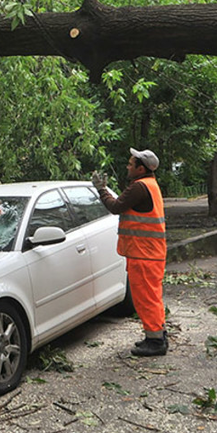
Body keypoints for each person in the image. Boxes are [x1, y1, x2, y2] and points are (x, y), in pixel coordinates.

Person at [92, 148, 167, 356]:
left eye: (130, 163)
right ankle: (157, 334)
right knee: (152, 296)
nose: (127, 166)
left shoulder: (139, 187)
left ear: (140, 168)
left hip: (144, 253)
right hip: (150, 252)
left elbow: (115, 207)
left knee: (145, 298)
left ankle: (155, 341)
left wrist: (101, 190)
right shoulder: (149, 185)